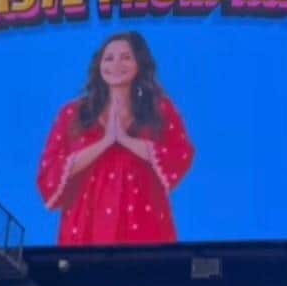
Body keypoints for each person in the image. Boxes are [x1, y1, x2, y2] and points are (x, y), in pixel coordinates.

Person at [37, 32, 194, 246]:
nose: (116, 64)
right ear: (99, 65)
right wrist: (105, 143)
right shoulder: (72, 113)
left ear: (139, 63)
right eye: (109, 58)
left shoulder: (160, 109)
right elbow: (49, 172)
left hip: (145, 222)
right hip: (84, 227)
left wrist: (126, 140)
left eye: (126, 57)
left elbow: (181, 153)